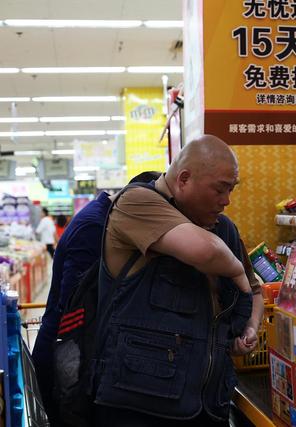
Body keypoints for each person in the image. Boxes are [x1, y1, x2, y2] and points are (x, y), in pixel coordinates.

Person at [92, 135, 263, 427]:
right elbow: (205, 251)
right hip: (140, 406)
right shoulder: (136, 203)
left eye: (231, 189)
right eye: (220, 189)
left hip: (208, 406)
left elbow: (255, 290)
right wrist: (236, 272)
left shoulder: (223, 229)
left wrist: (248, 328)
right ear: (184, 179)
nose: (227, 200)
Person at [32, 171, 163, 425]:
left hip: (70, 357)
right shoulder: (96, 226)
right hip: (67, 362)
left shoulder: (102, 216)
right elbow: (74, 304)